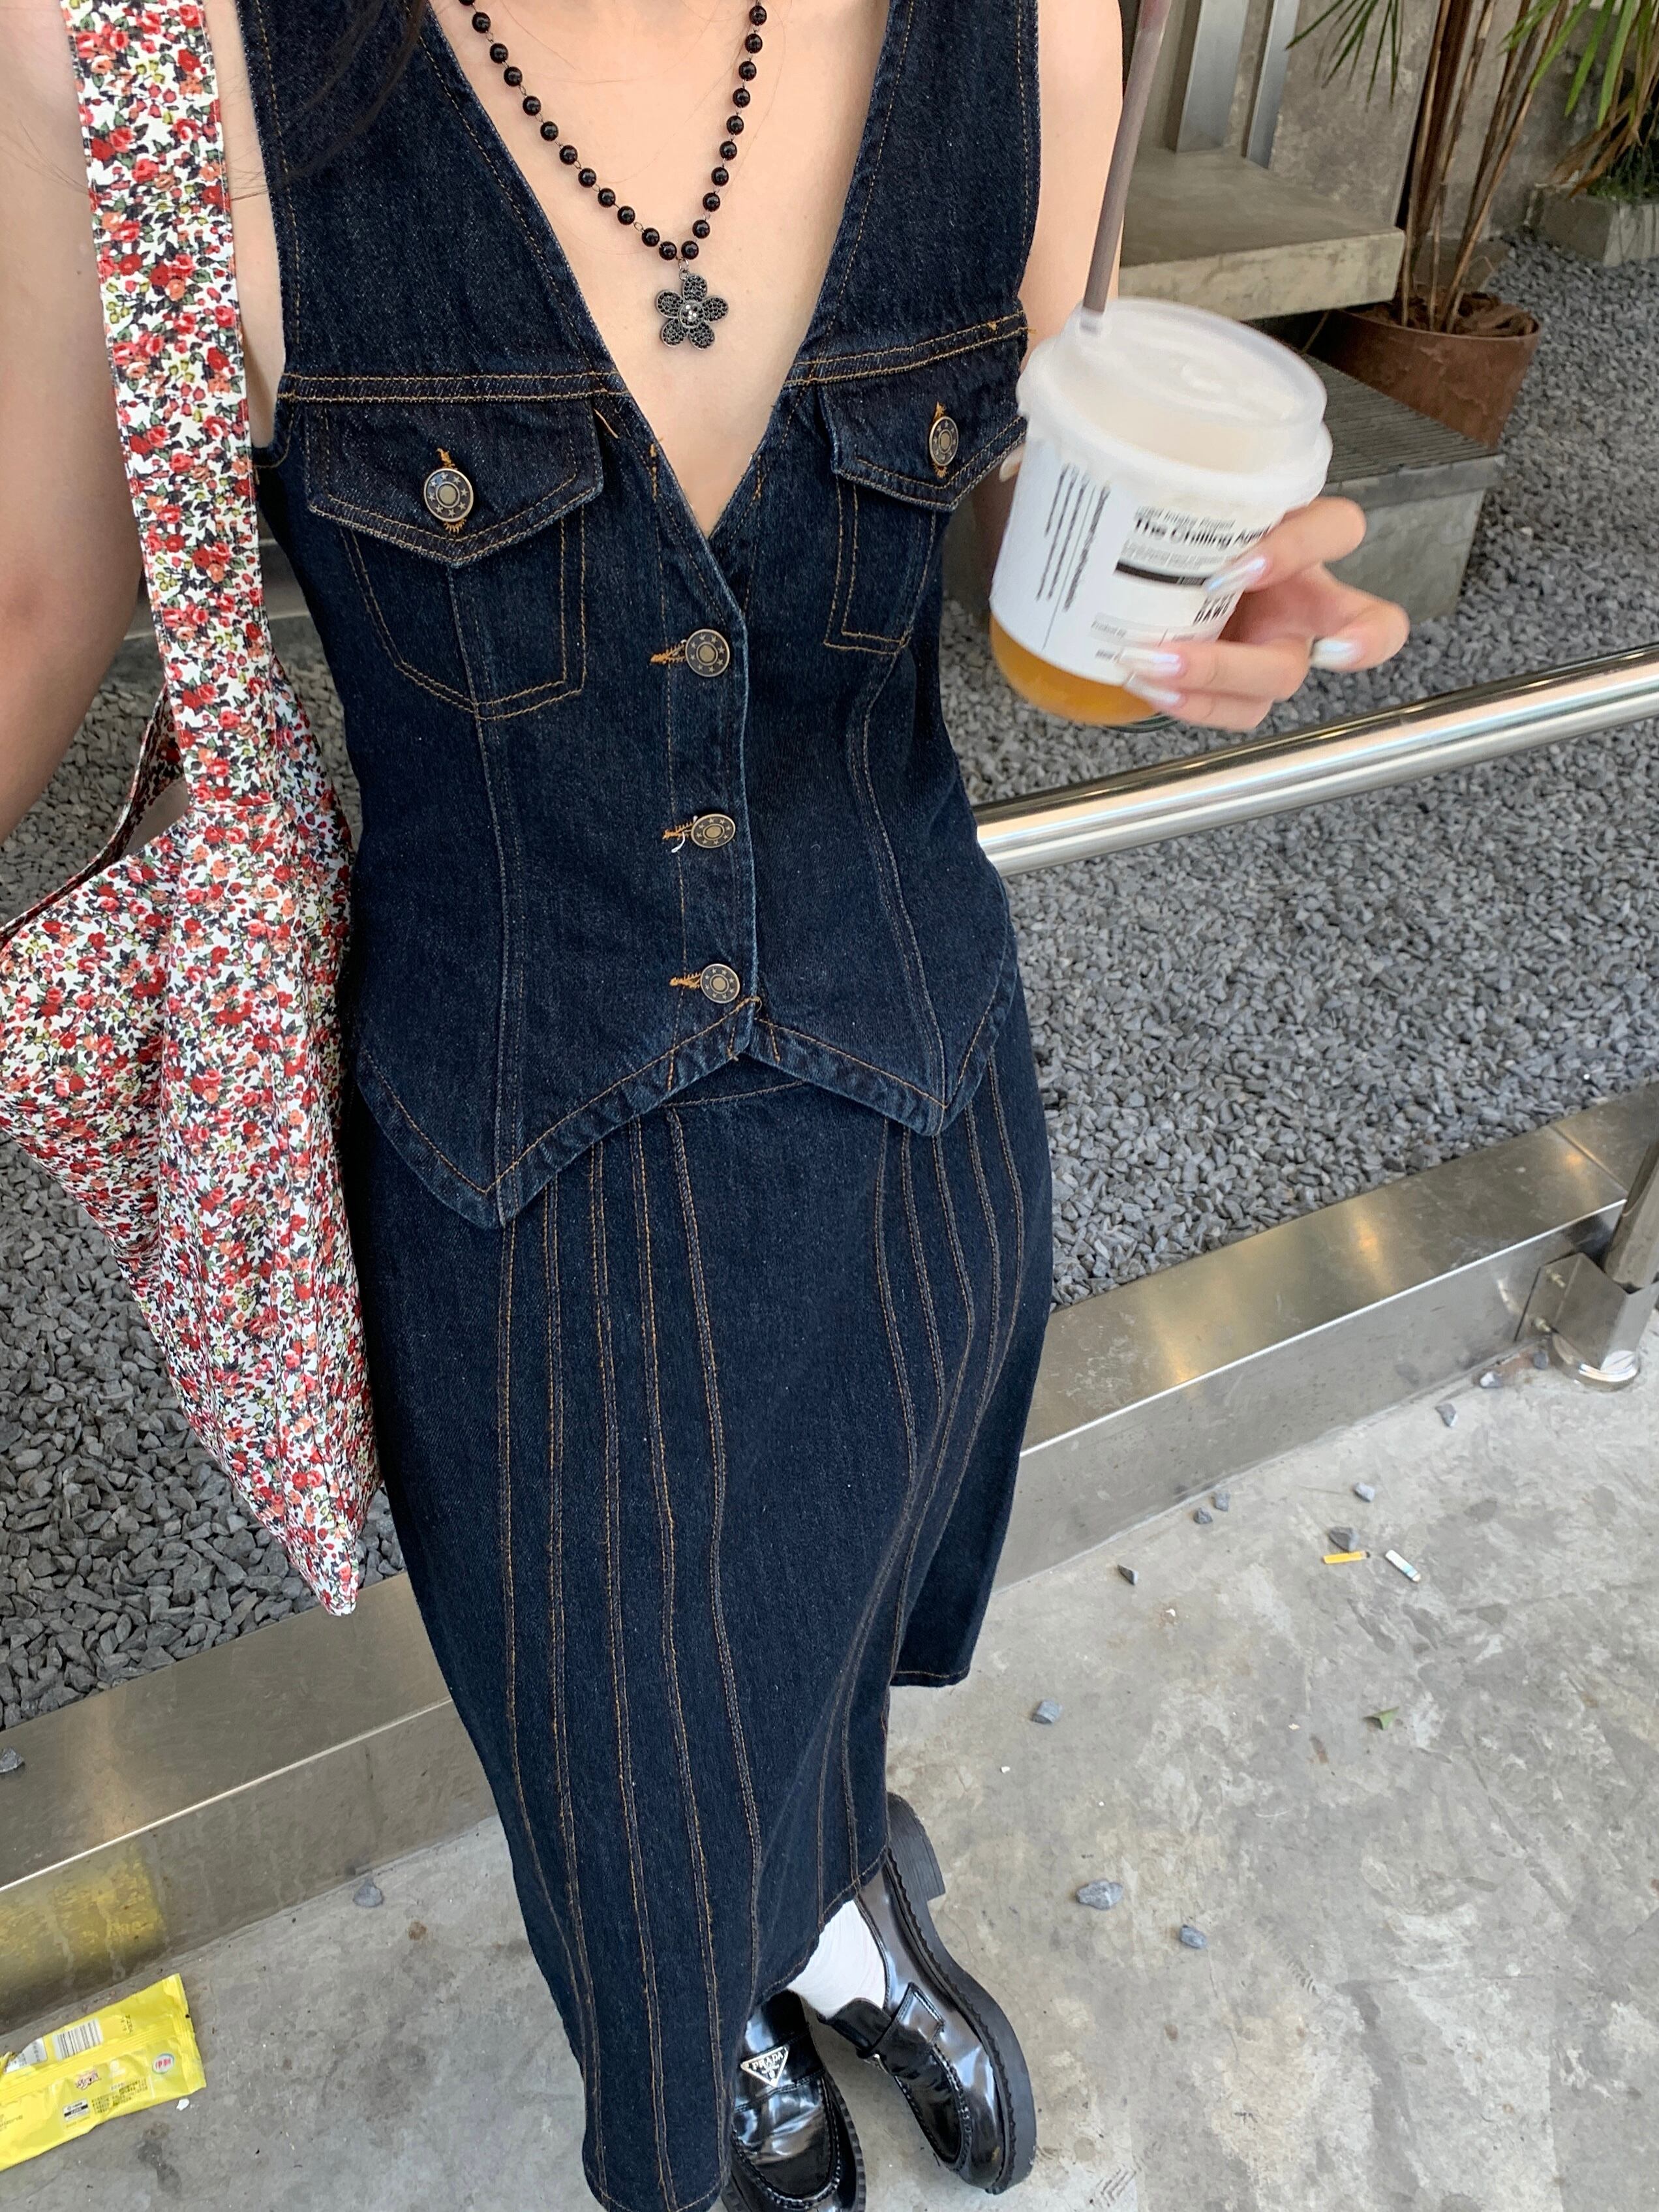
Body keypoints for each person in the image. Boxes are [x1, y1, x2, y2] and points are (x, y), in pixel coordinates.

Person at [0, 2, 1409, 2207]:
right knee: (624, 1778)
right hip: (522, 1191)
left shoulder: (1039, 23)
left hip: (917, 1091)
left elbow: (1027, 478)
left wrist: (1176, 601)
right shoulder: (132, 50)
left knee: (835, 1633)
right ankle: (713, 2018)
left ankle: (837, 1913)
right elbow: (29, 610)